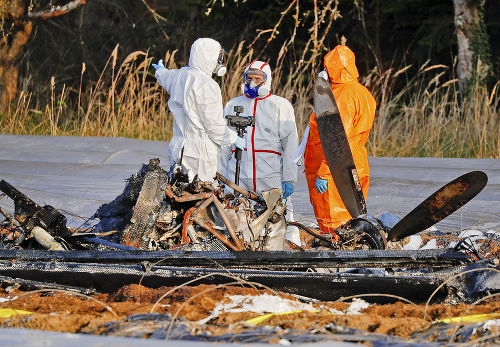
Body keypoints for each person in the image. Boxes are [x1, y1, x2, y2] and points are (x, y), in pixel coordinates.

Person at [221, 60, 300, 245]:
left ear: (267, 80)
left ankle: (292, 251)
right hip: (239, 174)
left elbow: (290, 144)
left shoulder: (280, 105)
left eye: (258, 79)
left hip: (270, 174)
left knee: (281, 215)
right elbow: (223, 146)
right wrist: (223, 177)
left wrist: (289, 177)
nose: (253, 83)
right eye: (249, 78)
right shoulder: (233, 105)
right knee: (237, 216)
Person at [304, 45, 376, 235]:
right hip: (356, 161)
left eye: (327, 67)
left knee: (334, 223)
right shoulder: (363, 93)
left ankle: (336, 260)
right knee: (353, 217)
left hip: (336, 168)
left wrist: (325, 171)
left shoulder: (342, 95)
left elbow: (337, 138)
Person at [152, 38, 245, 182]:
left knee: (178, 192)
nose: (218, 62)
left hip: (178, 147)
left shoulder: (180, 75)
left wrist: (160, 71)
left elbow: (166, 77)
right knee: (202, 195)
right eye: (217, 57)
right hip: (201, 153)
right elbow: (213, 126)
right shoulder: (208, 85)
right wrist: (233, 138)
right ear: (209, 57)